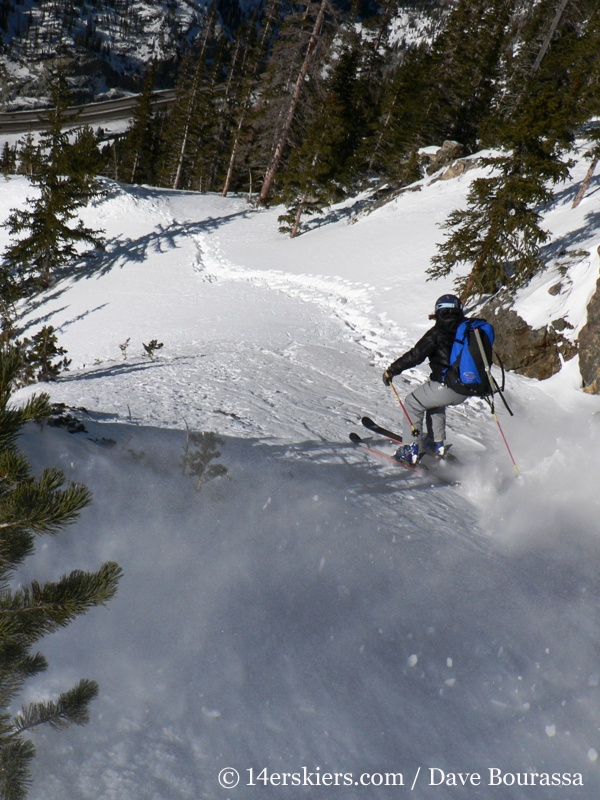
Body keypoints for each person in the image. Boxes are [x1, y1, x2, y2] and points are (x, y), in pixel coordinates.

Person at [382, 294, 467, 464]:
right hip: (466, 388)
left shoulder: (437, 332)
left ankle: (410, 449)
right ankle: (437, 444)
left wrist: (392, 370)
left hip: (444, 386)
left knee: (413, 403)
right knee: (433, 403)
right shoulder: (467, 331)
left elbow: (416, 355)